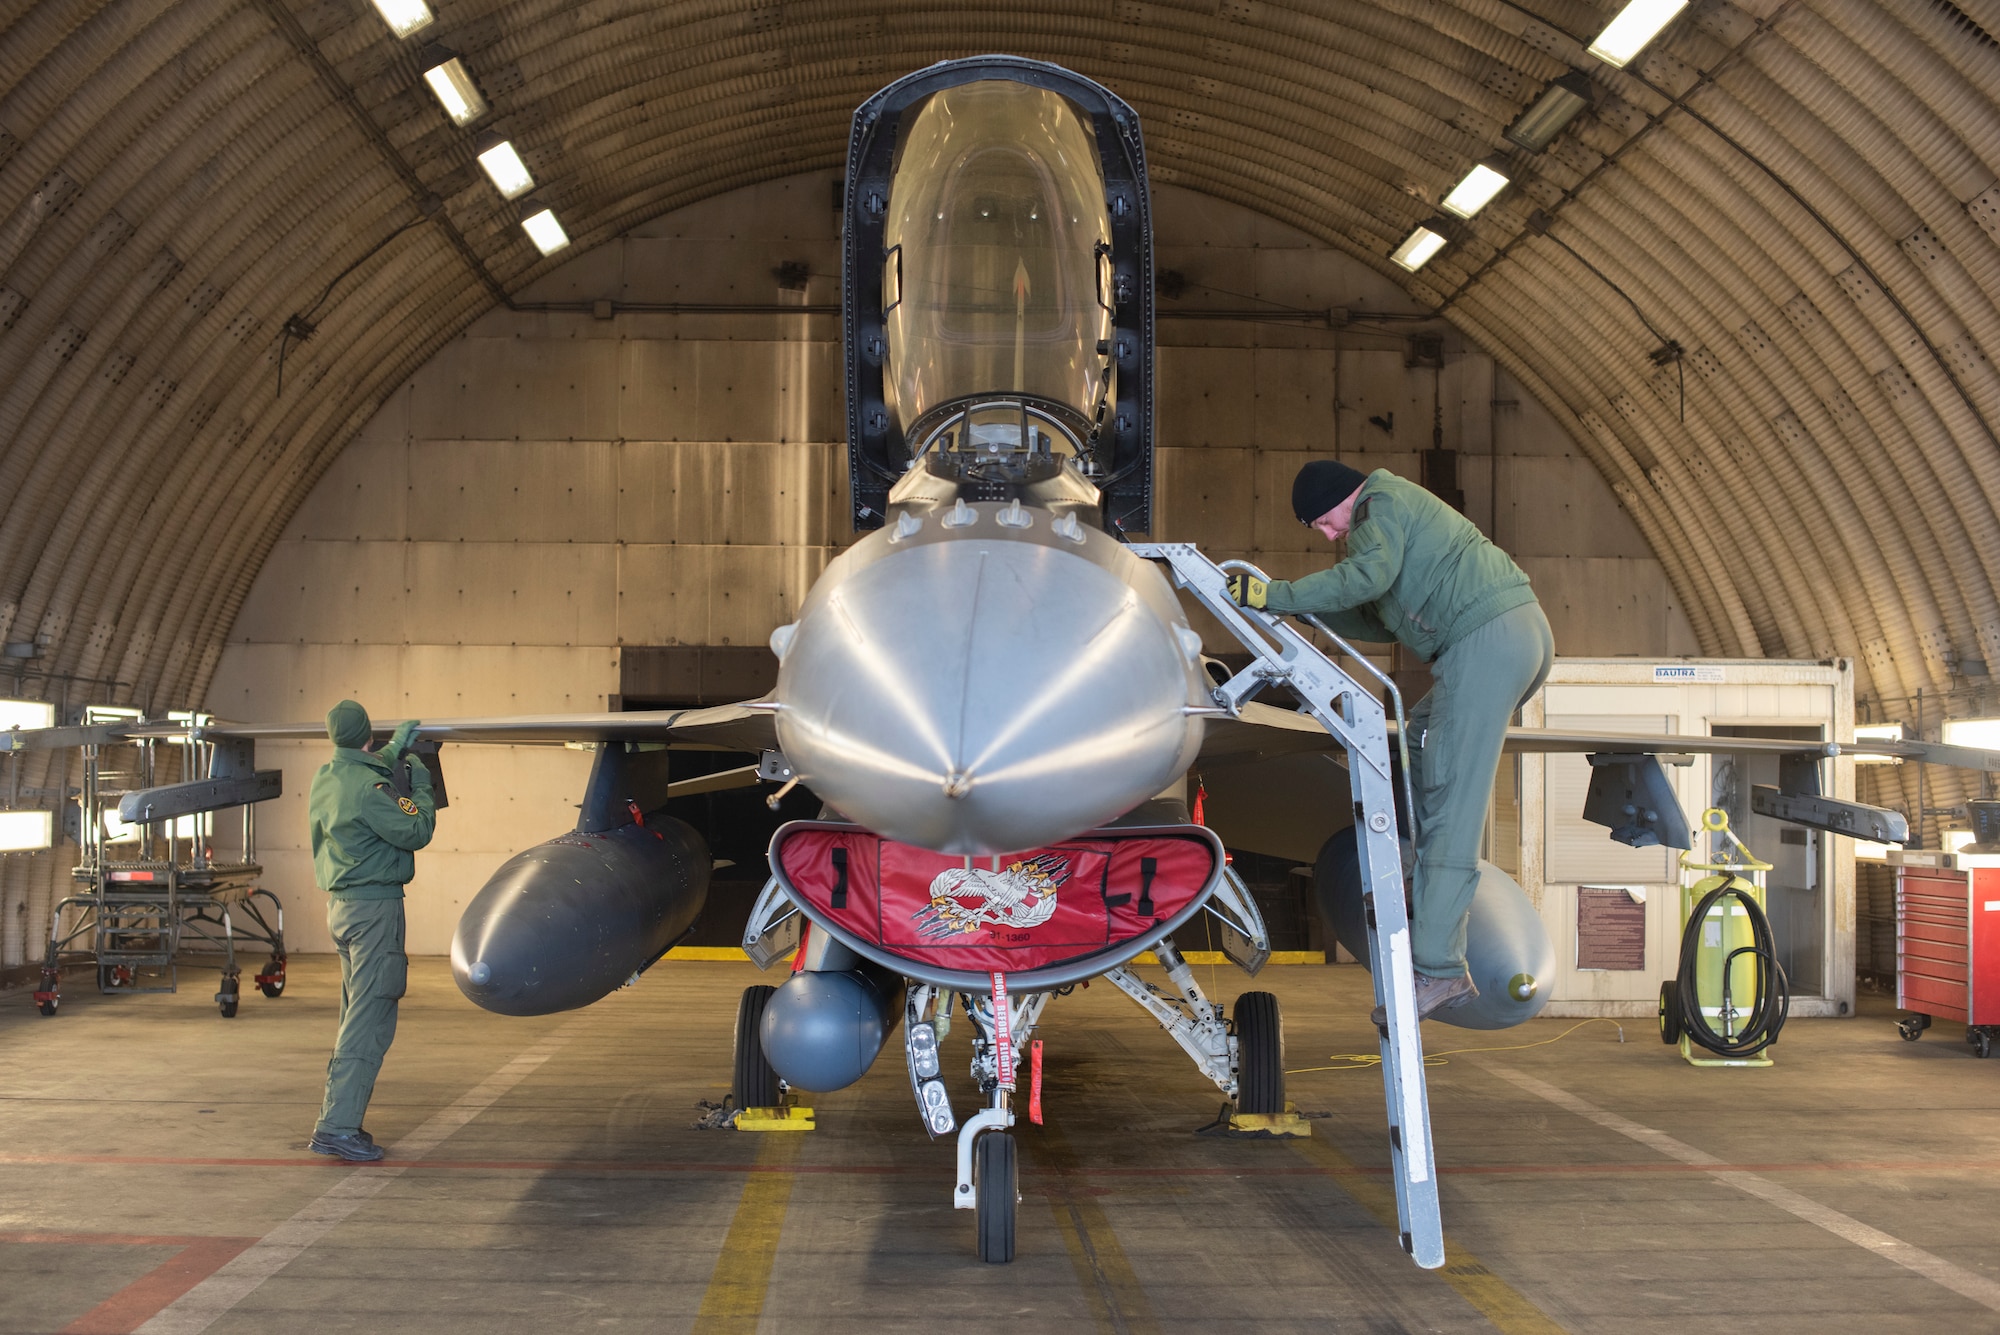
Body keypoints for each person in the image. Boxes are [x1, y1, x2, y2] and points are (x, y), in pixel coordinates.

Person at [1230, 460, 1553, 1023]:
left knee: (1452, 799)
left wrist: (1274, 594)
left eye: (1324, 523)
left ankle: (1439, 969)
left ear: (1341, 497)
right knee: (1419, 746)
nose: (1331, 536)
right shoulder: (1399, 519)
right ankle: (1414, 881)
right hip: (1506, 637)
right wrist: (1302, 606)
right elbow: (1379, 618)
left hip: (1487, 642)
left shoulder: (1379, 504)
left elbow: (1367, 578)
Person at [306, 700, 436, 1161]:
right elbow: (416, 829)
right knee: (368, 1021)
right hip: (374, 912)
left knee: (352, 1018)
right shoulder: (370, 789)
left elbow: (361, 774)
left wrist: (394, 749)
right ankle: (337, 1127)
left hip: (342, 910)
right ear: (367, 734)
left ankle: (335, 1118)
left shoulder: (328, 777)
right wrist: (419, 782)